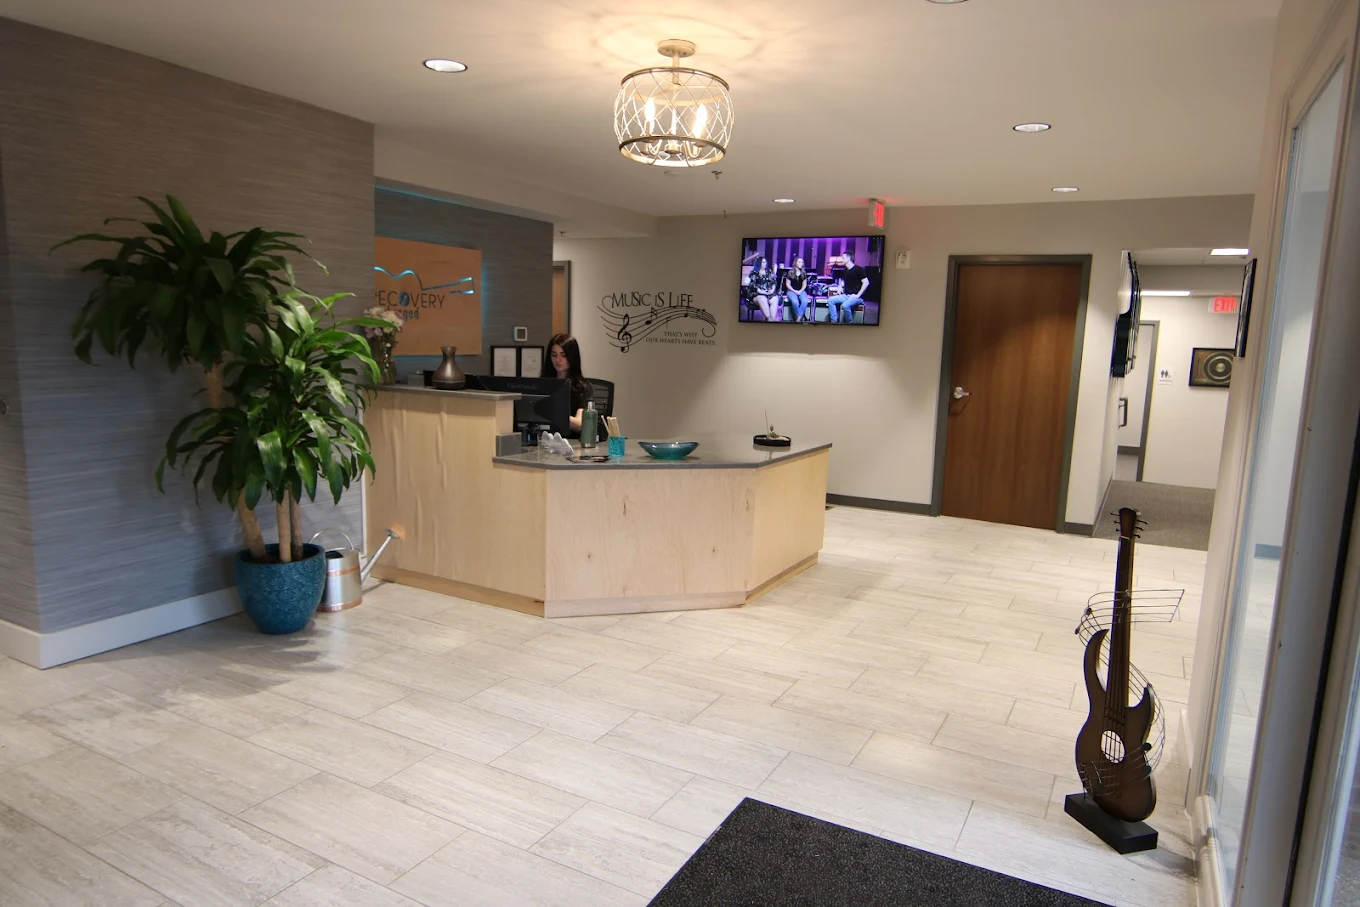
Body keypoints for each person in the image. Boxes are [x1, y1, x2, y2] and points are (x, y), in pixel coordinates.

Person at [541, 333, 594, 437]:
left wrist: (554, 415)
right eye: (554, 355)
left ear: (572, 356)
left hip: (571, 442)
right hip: (545, 439)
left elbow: (579, 424)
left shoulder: (583, 388)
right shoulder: (542, 383)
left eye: (563, 355)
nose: (558, 360)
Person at [826, 250, 869, 324]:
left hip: (856, 297)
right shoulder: (846, 270)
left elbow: (866, 283)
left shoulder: (858, 269)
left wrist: (858, 295)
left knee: (845, 305)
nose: (841, 260)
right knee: (830, 300)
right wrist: (840, 286)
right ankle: (834, 321)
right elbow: (843, 281)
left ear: (848, 259)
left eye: (843, 258)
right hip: (846, 295)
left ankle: (849, 323)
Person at [750, 257, 781, 322]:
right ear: (759, 263)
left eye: (765, 262)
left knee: (775, 299)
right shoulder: (754, 273)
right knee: (762, 299)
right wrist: (762, 292)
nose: (765, 264)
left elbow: (773, 282)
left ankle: (772, 320)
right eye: (763, 262)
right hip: (758, 294)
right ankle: (769, 319)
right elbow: (753, 286)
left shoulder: (769, 271)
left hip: (769, 293)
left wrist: (772, 290)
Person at [784, 257, 813, 323]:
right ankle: (799, 317)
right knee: (795, 302)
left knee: (805, 301)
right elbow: (787, 284)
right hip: (791, 291)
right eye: (799, 262)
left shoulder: (803, 273)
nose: (801, 263)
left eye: (802, 262)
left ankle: (798, 318)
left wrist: (800, 291)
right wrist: (795, 291)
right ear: (796, 263)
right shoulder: (790, 272)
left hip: (801, 291)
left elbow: (804, 284)